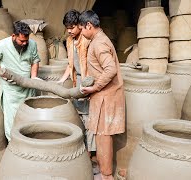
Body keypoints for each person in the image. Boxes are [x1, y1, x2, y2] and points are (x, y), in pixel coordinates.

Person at [78, 10, 125, 180]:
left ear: (88, 25)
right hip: (103, 95)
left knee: (103, 136)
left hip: (106, 96)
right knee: (101, 135)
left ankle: (106, 176)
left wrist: (95, 87)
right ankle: (104, 172)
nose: (82, 33)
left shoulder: (99, 43)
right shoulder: (100, 39)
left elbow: (110, 69)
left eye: (82, 29)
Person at [0, 21, 40, 141]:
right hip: (11, 91)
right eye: (21, 41)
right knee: (12, 121)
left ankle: (28, 143)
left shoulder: (32, 44)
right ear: (13, 36)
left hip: (28, 89)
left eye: (26, 40)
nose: (25, 43)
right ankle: (14, 146)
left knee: (28, 119)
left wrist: (33, 78)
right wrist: (1, 73)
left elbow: (35, 61)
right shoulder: (1, 45)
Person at [58, 9, 96, 158]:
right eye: (67, 28)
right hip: (77, 82)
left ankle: (89, 154)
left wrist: (91, 85)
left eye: (72, 27)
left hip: (88, 82)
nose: (69, 31)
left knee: (89, 120)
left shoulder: (87, 40)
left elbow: (94, 65)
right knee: (78, 116)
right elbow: (70, 65)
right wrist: (61, 80)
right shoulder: (69, 41)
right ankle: (79, 150)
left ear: (80, 26)